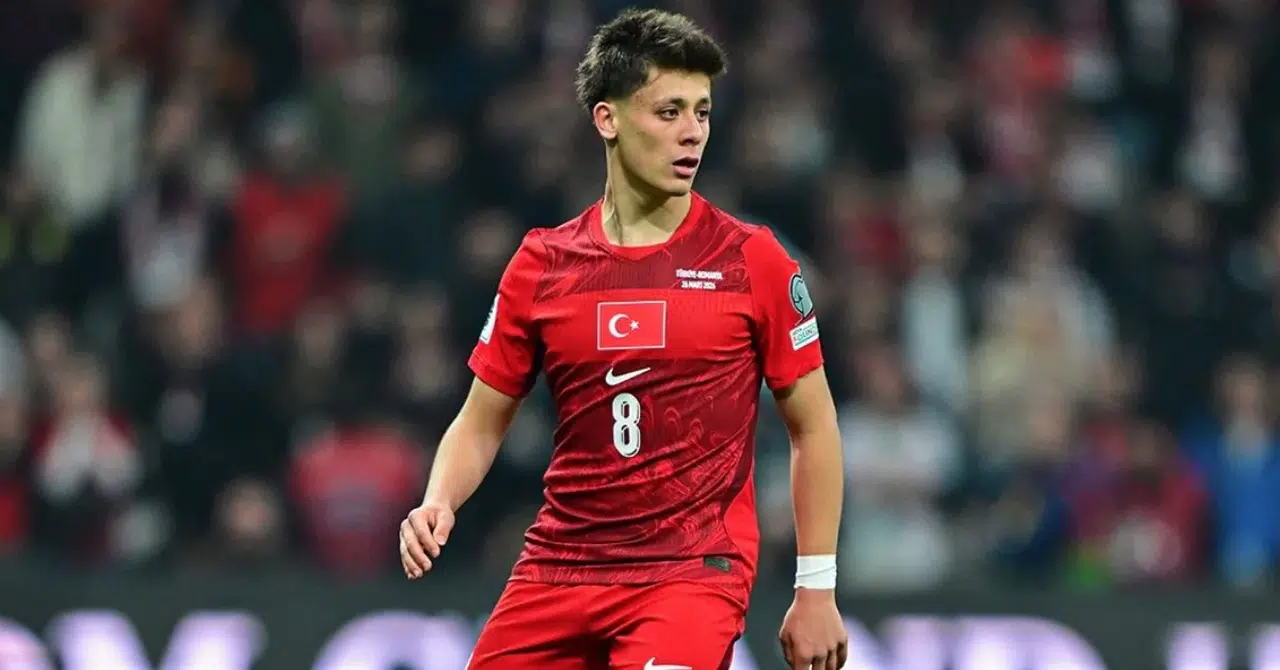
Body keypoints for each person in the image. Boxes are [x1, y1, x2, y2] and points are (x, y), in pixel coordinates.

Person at [398, 8, 848, 670]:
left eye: (702, 112)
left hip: (689, 570)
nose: (692, 132)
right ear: (607, 119)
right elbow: (481, 420)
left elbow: (815, 426)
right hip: (560, 566)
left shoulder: (752, 260)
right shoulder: (542, 263)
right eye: (669, 112)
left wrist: (815, 591)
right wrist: (438, 499)